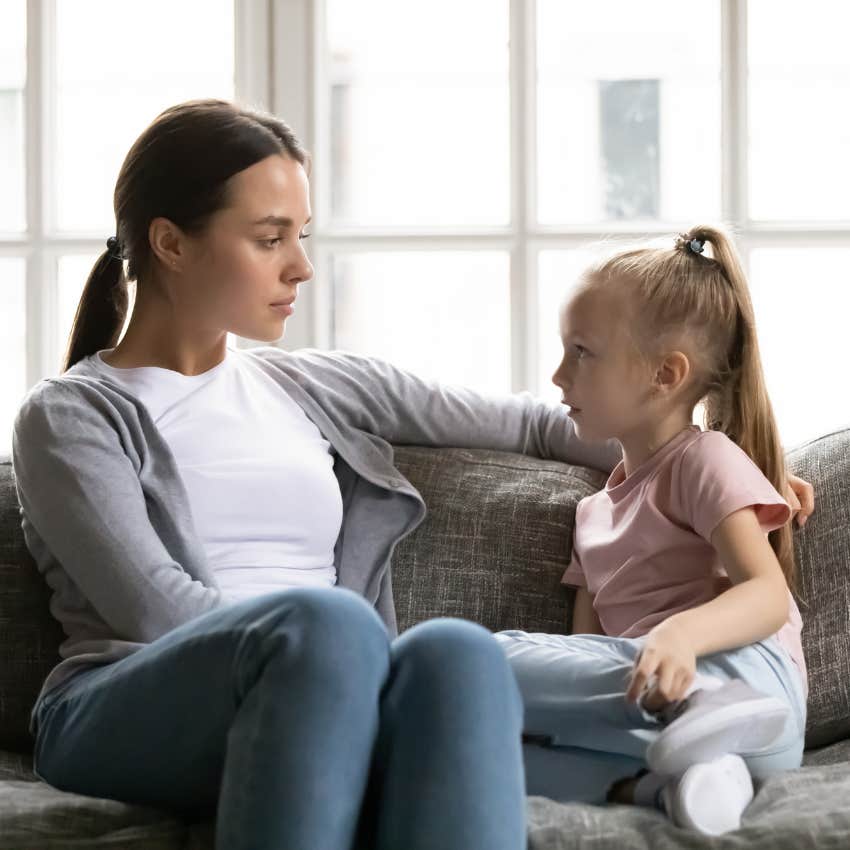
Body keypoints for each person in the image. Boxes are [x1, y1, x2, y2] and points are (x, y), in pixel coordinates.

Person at [10, 97, 636, 850]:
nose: (301, 266)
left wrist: (728, 461)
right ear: (171, 243)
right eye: (270, 238)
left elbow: (541, 425)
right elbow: (153, 613)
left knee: (458, 656)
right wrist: (335, 659)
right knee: (331, 623)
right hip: (122, 703)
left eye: (299, 236)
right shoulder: (73, 415)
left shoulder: (309, 385)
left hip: (325, 678)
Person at [495, 227, 816, 836]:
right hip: (665, 733)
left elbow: (768, 595)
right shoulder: (592, 515)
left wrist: (678, 640)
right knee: (488, 748)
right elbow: (586, 658)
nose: (559, 376)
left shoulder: (704, 459)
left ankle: (699, 710)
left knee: (476, 657)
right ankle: (674, 789)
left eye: (582, 352)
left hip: (748, 690)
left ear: (665, 375)